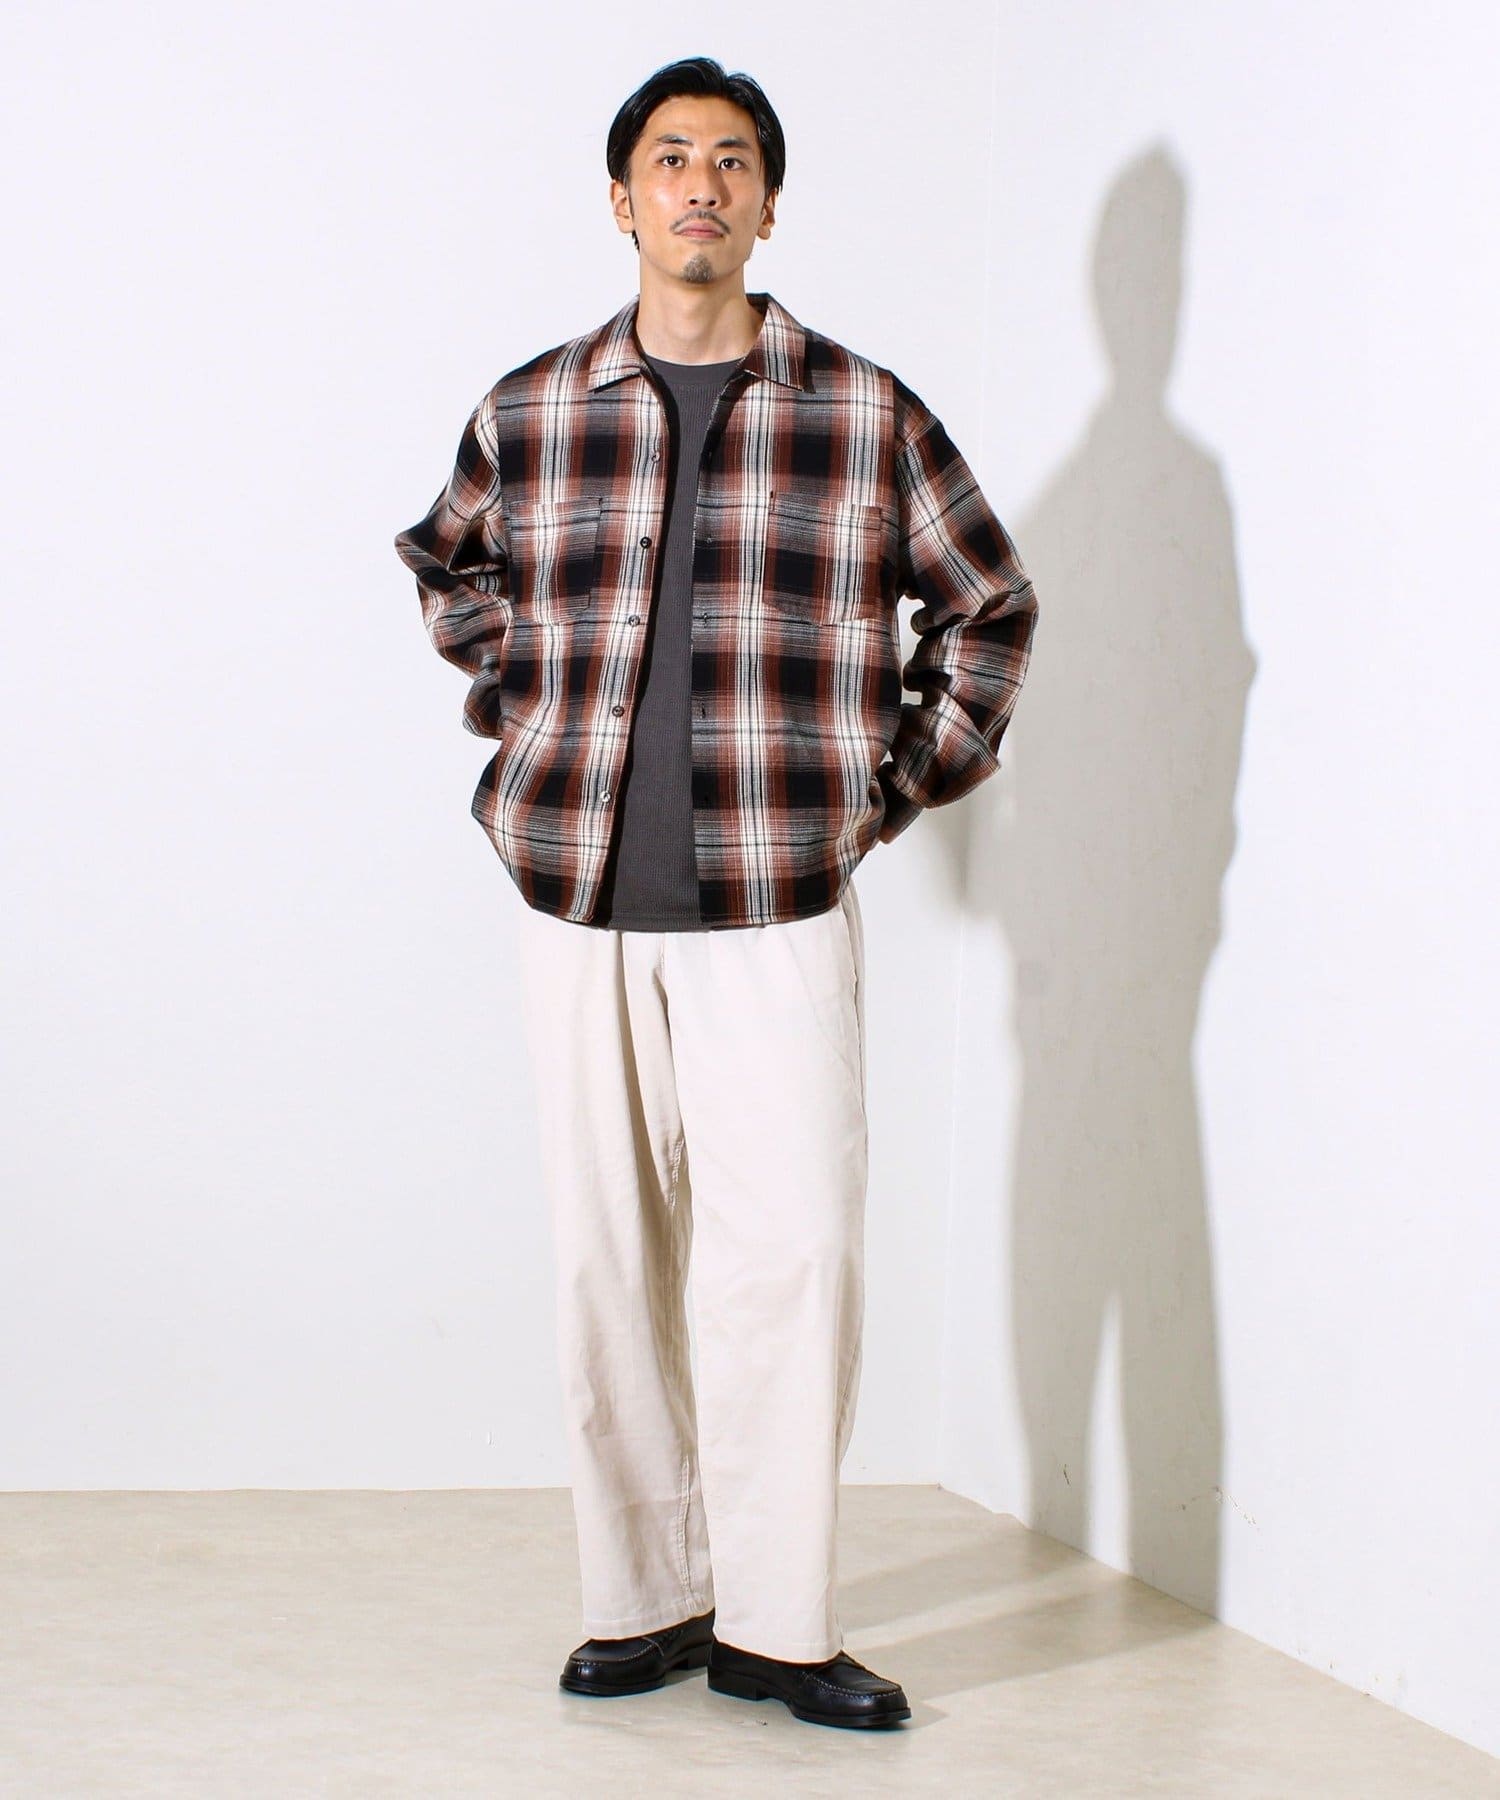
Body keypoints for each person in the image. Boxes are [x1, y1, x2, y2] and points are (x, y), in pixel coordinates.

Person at [393, 54, 1038, 1733]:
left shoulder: (864, 412)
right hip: (578, 892)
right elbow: (451, 567)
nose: (701, 184)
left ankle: (776, 1624)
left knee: (792, 1259)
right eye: (670, 158)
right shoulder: (535, 408)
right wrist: (534, 704)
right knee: (607, 1265)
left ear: (767, 202)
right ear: (622, 199)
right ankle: (645, 1598)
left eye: (732, 160)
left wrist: (888, 787)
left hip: (778, 896)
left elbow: (987, 609)